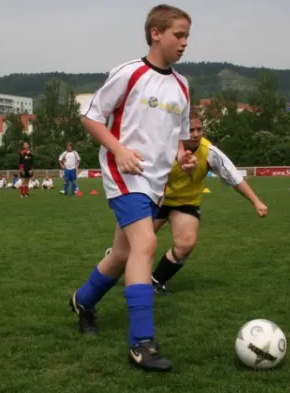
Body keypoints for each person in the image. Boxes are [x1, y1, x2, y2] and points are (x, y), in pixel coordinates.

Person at [68, 4, 195, 372]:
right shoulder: (129, 72)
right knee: (147, 244)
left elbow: (177, 139)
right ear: (156, 33)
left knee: (123, 254)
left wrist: (181, 158)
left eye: (187, 36)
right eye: (179, 34)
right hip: (123, 173)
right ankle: (141, 342)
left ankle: (83, 301)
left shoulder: (183, 85)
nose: (185, 43)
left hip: (155, 182)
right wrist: (118, 149)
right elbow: (90, 116)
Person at [106, 112, 268, 295]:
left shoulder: (209, 152)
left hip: (186, 202)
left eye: (199, 129)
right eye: (191, 130)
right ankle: (114, 259)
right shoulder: (163, 148)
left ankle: (155, 282)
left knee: (186, 243)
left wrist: (256, 201)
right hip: (156, 199)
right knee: (127, 250)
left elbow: (234, 177)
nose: (196, 134)